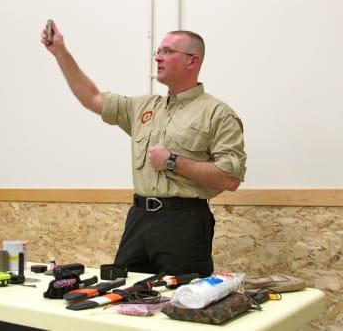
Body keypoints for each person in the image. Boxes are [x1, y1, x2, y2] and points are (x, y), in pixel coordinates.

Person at [41, 21, 246, 277]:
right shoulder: (144, 107)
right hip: (139, 219)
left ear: (192, 61)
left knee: (181, 296)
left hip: (184, 222)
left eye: (168, 51)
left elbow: (230, 179)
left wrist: (172, 161)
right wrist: (60, 52)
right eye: (158, 51)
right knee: (123, 291)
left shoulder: (217, 113)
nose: (158, 57)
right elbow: (91, 97)